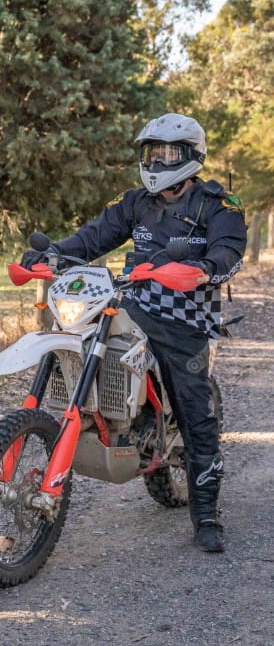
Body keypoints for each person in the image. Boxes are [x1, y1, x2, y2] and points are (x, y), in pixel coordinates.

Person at [21, 112, 247, 552]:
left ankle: (205, 514)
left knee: (195, 413)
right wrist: (51, 255)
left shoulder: (218, 205)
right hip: (133, 303)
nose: (159, 161)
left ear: (191, 156)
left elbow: (229, 251)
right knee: (86, 340)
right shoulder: (136, 202)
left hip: (185, 319)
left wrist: (204, 269)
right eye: (152, 152)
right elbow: (92, 238)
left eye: (169, 153)